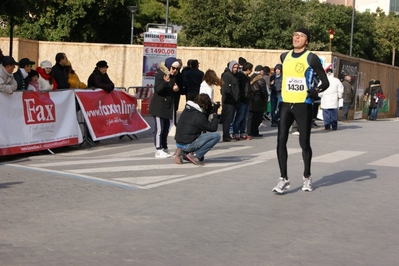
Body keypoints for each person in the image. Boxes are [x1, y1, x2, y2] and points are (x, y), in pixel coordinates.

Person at [272, 28, 329, 194]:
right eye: (294, 35)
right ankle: (283, 178)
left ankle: (307, 176)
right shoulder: (284, 56)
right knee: (281, 140)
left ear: (307, 41)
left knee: (304, 142)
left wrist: (315, 91)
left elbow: (325, 82)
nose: (296, 38)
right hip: (285, 103)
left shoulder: (311, 58)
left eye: (301, 36)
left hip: (303, 104)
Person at [175, 93, 221, 165]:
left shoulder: (188, 110)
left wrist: (213, 109)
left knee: (201, 158)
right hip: (187, 144)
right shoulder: (198, 116)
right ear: (205, 105)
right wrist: (215, 114)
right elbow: (212, 128)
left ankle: (182, 152)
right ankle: (195, 155)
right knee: (216, 136)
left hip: (179, 142)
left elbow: (203, 119)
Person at [149, 57, 180, 158]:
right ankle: (158, 149)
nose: (174, 70)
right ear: (168, 66)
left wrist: (176, 89)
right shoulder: (160, 74)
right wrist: (165, 82)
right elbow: (158, 89)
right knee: (159, 129)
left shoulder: (173, 77)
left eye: (177, 69)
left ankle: (164, 147)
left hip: (168, 107)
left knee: (166, 128)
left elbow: (172, 90)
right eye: (173, 68)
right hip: (159, 106)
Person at [221, 60, 240, 142]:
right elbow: (226, 90)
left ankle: (227, 134)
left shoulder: (234, 76)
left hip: (234, 102)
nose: (236, 69)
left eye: (237, 67)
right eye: (234, 67)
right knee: (227, 120)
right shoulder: (227, 76)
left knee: (230, 119)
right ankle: (226, 135)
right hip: (228, 102)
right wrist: (232, 98)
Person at [233, 62, 253, 140]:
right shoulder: (240, 76)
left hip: (247, 99)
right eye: (251, 69)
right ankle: (235, 132)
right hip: (242, 99)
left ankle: (242, 132)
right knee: (239, 117)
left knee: (245, 118)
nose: (251, 71)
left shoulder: (247, 77)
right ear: (247, 69)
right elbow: (241, 89)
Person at [247, 65, 268, 137]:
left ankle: (248, 131)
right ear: (261, 71)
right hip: (258, 100)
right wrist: (266, 98)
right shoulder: (261, 79)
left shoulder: (250, 77)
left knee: (250, 117)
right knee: (257, 117)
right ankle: (255, 132)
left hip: (250, 100)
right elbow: (263, 91)